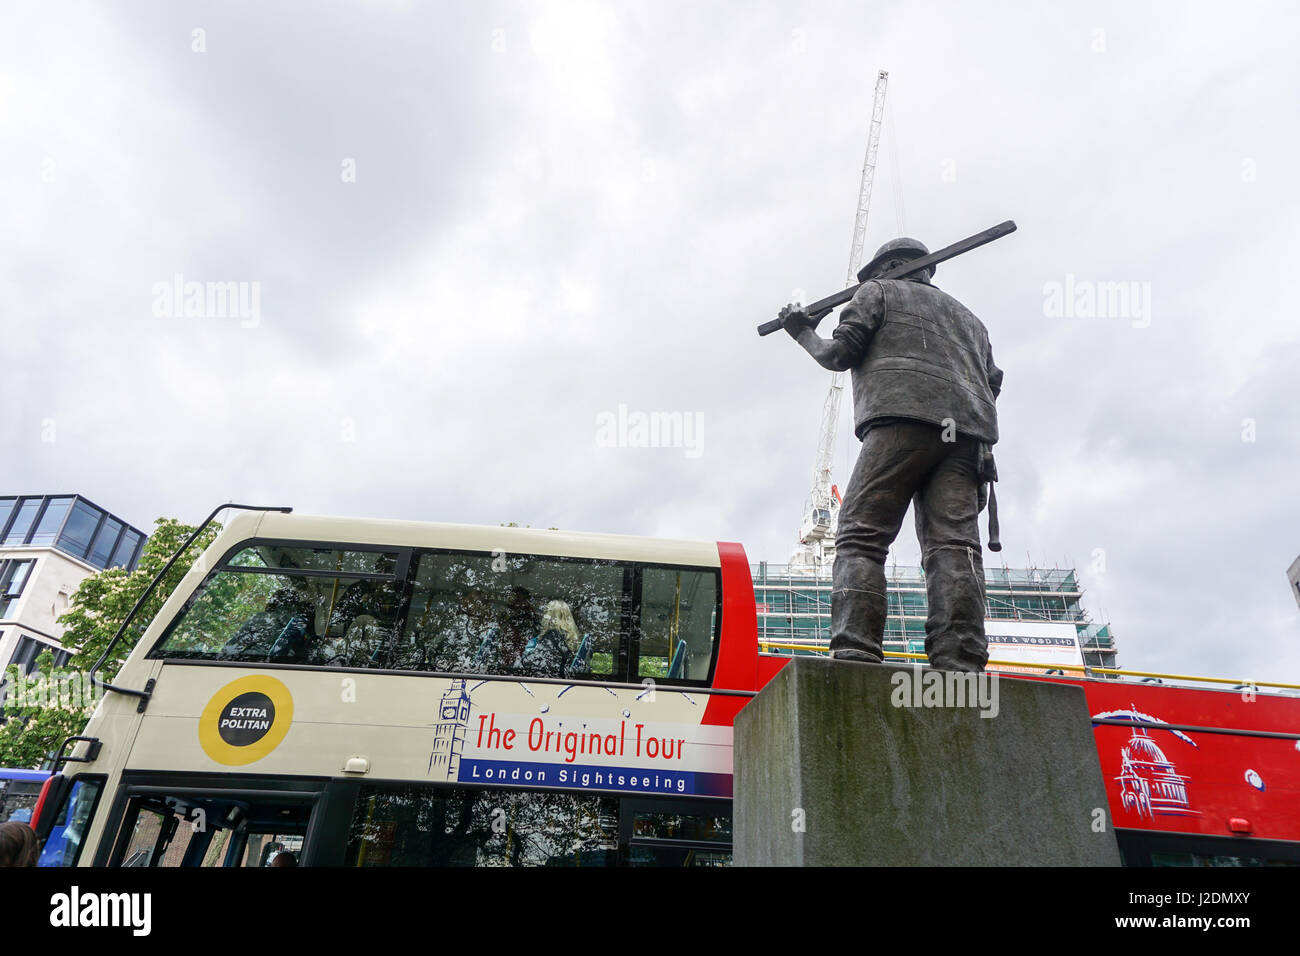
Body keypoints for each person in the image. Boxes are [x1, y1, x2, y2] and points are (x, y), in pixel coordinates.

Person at [781, 237, 1002, 672]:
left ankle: (856, 651)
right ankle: (960, 658)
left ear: (895, 266)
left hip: (901, 422)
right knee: (954, 547)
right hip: (967, 438)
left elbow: (837, 354)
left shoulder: (878, 292)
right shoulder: (972, 322)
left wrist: (802, 330)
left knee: (862, 535)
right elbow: (991, 384)